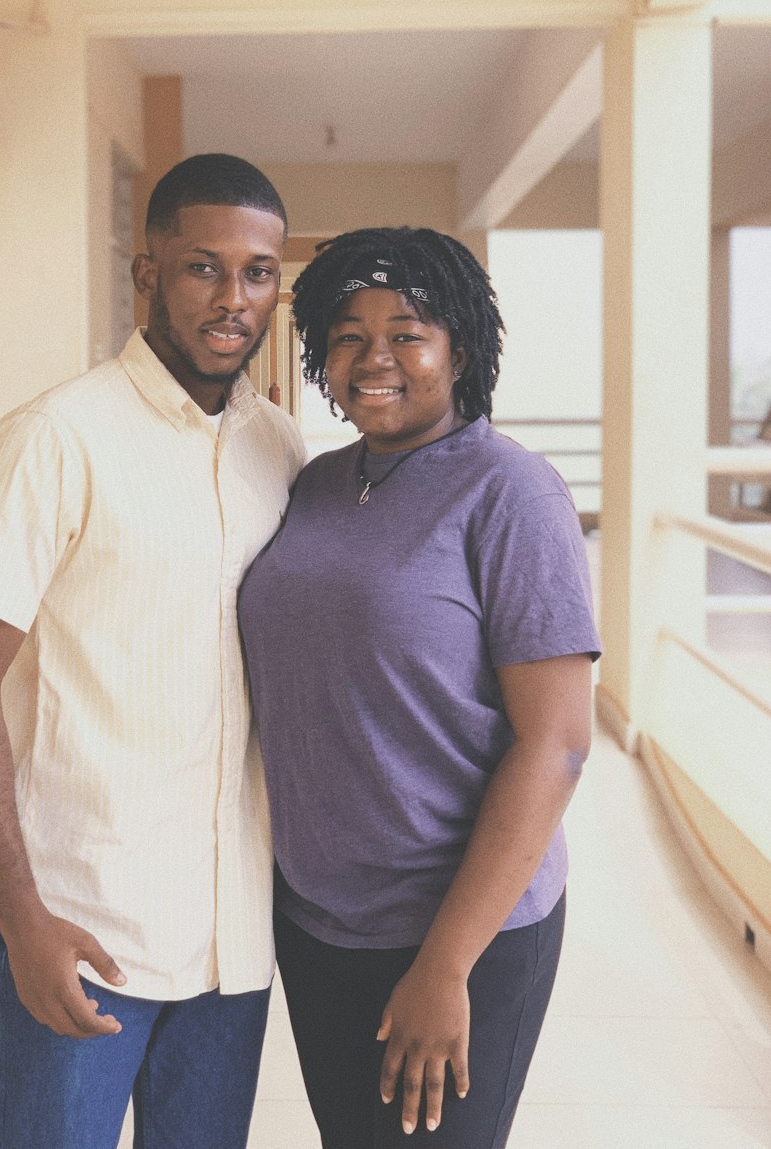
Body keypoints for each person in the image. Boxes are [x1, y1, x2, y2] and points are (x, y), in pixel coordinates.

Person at [0, 154, 304, 1149]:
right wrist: (21, 917)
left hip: (233, 938)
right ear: (145, 275)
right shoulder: (58, 436)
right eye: (202, 267)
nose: (233, 299)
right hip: (84, 927)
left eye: (258, 272)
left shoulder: (283, 452)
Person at [239, 226, 601, 1148]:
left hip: (458, 934)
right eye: (349, 334)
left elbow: (556, 742)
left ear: (461, 349)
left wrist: (446, 964)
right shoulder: (318, 483)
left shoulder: (511, 494)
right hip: (320, 924)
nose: (376, 358)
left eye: (408, 332)